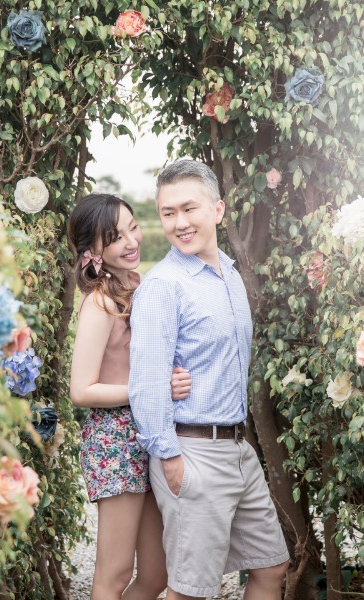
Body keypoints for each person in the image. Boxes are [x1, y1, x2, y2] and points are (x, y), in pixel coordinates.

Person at [128, 160, 289, 598]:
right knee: (190, 590)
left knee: (271, 567)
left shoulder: (230, 275)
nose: (179, 223)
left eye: (189, 208)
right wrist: (170, 458)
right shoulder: (163, 287)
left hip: (239, 450)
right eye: (167, 213)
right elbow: (145, 382)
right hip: (191, 452)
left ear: (217, 210)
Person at [68, 193, 193, 600]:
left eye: (132, 227)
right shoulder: (101, 303)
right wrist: (151, 390)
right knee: (114, 573)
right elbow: (81, 389)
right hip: (114, 440)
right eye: (114, 236)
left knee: (157, 575)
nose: (130, 241)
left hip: (150, 431)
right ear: (93, 250)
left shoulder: (142, 286)